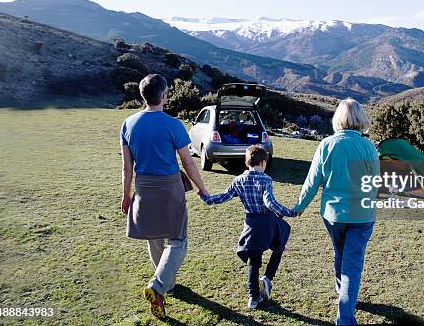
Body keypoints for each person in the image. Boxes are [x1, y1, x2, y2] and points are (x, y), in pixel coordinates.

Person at [119, 74, 209, 319]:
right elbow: (188, 163)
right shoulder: (173, 125)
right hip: (170, 187)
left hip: (144, 186)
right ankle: (158, 286)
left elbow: (127, 167)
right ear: (164, 95)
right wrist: (201, 188)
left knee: (154, 235)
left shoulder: (128, 123)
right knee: (178, 239)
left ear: (142, 95)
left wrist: (126, 196)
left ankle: (166, 284)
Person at [292, 98, 379, 325]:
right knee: (352, 263)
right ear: (360, 118)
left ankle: (344, 295)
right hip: (362, 215)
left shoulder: (327, 144)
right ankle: (345, 316)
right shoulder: (368, 146)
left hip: (333, 215)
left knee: (340, 254)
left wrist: (300, 206)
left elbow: (312, 181)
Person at [200, 145, 297, 309]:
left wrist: (206, 198)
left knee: (254, 259)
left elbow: (223, 197)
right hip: (268, 223)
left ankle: (253, 297)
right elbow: (270, 203)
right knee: (280, 244)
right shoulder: (266, 179)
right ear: (264, 162)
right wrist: (290, 212)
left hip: (251, 224)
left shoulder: (238, 180)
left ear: (247, 163)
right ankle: (267, 278)